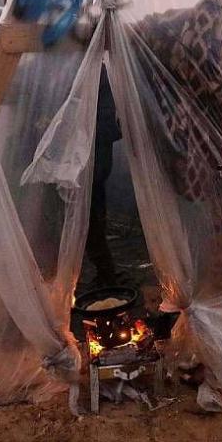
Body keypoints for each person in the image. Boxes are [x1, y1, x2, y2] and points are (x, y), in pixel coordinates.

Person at [83, 67, 122, 287]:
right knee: (92, 217)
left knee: (93, 217)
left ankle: (105, 272)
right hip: (81, 162)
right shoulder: (54, 66)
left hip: (93, 162)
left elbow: (111, 122)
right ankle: (103, 270)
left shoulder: (96, 70)